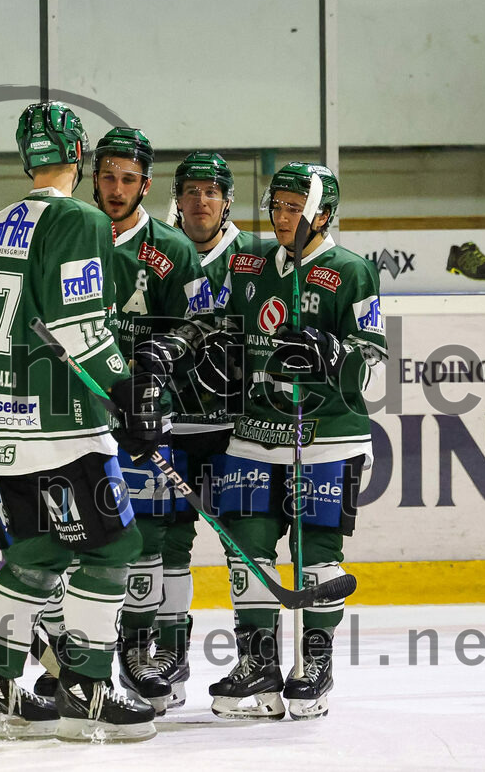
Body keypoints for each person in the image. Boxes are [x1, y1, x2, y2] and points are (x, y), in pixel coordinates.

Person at [0, 101, 161, 743]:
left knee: (36, 552)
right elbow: (77, 322)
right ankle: (86, 685)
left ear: (27, 158)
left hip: (4, 421)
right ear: (77, 157)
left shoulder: (5, 220)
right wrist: (125, 386)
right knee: (115, 546)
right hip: (59, 424)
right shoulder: (78, 217)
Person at [204, 162, 386, 720]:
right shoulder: (253, 265)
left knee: (316, 555)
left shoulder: (351, 272)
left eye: (293, 209)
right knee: (247, 550)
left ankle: (315, 665)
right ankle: (258, 664)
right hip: (255, 435)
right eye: (276, 207)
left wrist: (333, 352)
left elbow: (374, 353)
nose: (281, 218)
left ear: (323, 215)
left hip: (327, 437)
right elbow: (224, 328)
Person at [140, 151, 275, 708]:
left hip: (237, 429)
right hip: (169, 426)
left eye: (211, 192)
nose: (200, 202)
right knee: (166, 540)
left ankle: (258, 661)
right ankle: (168, 660)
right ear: (176, 198)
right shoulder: (159, 253)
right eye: (191, 191)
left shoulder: (257, 256)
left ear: (227, 200)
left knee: (247, 536)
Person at [87, 129, 214, 714]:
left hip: (141, 413)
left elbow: (204, 321)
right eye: (108, 176)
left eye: (128, 179)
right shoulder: (69, 233)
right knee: (79, 538)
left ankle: (144, 653)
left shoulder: (173, 249)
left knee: (148, 538)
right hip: (77, 413)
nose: (117, 189)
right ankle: (77, 659)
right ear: (93, 175)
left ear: (146, 184)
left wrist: (170, 350)